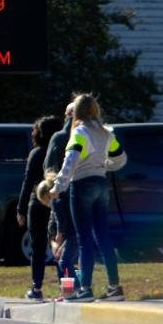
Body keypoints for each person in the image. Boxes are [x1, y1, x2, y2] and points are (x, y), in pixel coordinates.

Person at [54, 93, 126, 302]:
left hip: (82, 184)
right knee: (103, 236)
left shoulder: (79, 132)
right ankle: (114, 287)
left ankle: (85, 288)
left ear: (76, 112)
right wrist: (106, 166)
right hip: (101, 183)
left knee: (84, 239)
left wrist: (58, 186)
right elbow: (121, 158)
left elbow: (71, 160)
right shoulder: (106, 133)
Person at [18, 115, 65, 300]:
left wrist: (20, 209)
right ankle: (65, 284)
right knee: (60, 244)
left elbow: (28, 182)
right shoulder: (61, 151)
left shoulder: (36, 153)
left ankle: (37, 287)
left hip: (37, 203)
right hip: (57, 201)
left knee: (38, 248)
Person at [43, 104, 78, 285]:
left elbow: (48, 166)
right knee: (75, 241)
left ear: (67, 116)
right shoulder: (87, 135)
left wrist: (52, 187)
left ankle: (67, 286)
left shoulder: (59, 138)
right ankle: (75, 284)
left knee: (57, 236)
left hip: (60, 193)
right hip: (79, 194)